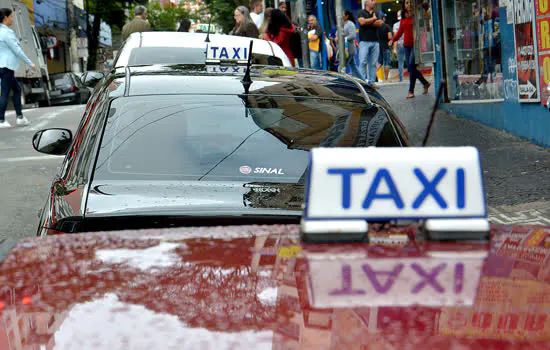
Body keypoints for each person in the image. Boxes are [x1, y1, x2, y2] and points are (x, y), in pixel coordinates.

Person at [0, 8, 35, 128]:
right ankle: (1, 120)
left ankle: (20, 117)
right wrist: (30, 63)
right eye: (11, 17)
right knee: (5, 92)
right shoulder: (7, 33)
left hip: (2, 66)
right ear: (5, 18)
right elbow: (17, 50)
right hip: (6, 66)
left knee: (17, 89)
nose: (12, 19)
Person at [390, 0, 430, 98]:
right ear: (404, 5)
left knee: (411, 65)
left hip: (416, 45)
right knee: (410, 67)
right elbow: (400, 32)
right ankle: (425, 83)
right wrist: (393, 40)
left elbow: (424, 26)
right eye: (407, 3)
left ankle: (411, 91)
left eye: (410, 3)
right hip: (406, 45)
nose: (409, 5)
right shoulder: (403, 18)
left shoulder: (417, 15)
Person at [357, 0, 383, 84]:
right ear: (366, 2)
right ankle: (362, 82)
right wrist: (373, 19)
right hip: (364, 41)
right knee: (363, 62)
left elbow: (379, 23)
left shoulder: (377, 12)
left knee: (373, 63)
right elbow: (361, 22)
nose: (374, 2)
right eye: (372, 0)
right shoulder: (361, 12)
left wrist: (367, 22)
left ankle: (372, 82)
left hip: (375, 41)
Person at [340, 10, 362, 79]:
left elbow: (353, 35)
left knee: (341, 66)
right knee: (353, 66)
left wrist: (344, 39)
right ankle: (362, 80)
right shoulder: (341, 23)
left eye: (342, 14)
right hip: (344, 49)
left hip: (349, 49)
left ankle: (340, 80)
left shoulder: (350, 24)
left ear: (346, 16)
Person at [377, 13, 392, 82]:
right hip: (386, 46)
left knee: (379, 63)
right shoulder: (386, 26)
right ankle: (386, 78)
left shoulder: (376, 27)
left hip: (378, 47)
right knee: (387, 63)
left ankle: (373, 75)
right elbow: (390, 37)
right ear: (383, 18)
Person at [392, 10, 405, 82]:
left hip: (400, 45)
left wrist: (394, 49)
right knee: (410, 61)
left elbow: (395, 38)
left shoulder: (395, 25)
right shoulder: (406, 22)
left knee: (400, 62)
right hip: (407, 44)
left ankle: (401, 78)